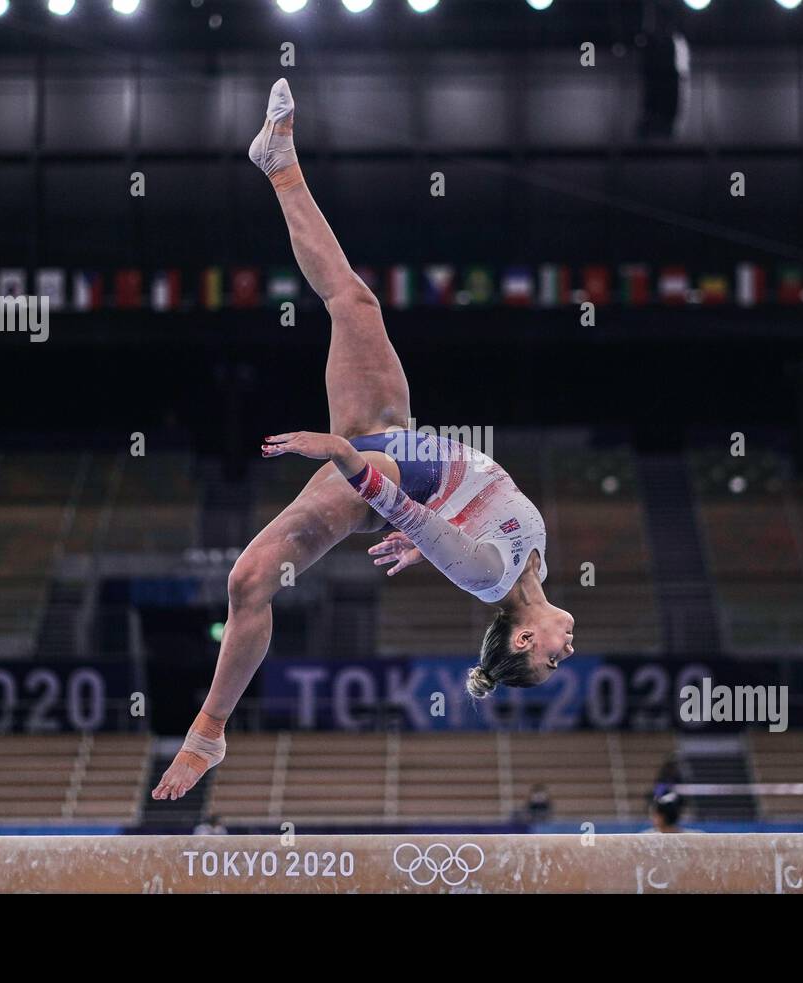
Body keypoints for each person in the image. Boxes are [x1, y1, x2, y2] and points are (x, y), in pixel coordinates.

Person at [152, 80, 574, 802]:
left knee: (249, 581)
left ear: (524, 640)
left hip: (381, 468)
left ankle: (208, 729)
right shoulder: (529, 561)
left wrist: (349, 462)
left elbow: (413, 508)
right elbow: (453, 519)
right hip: (397, 443)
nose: (568, 652)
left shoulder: (491, 581)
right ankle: (278, 161)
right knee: (354, 300)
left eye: (552, 663)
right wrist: (425, 532)